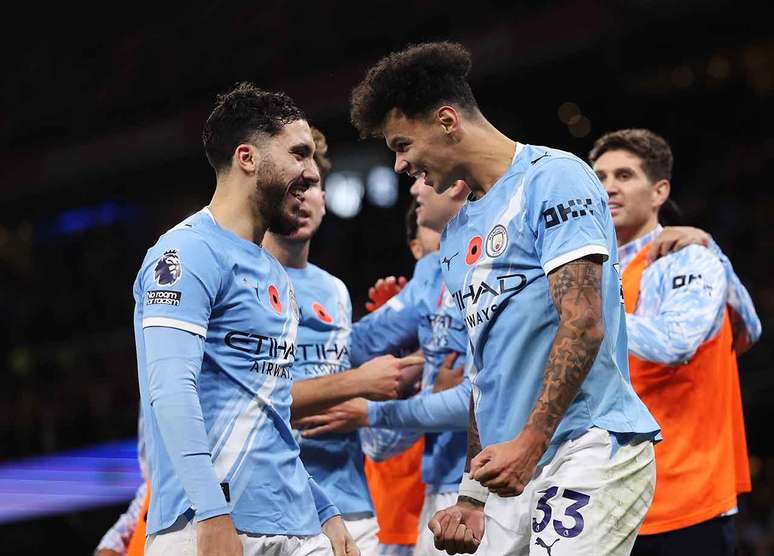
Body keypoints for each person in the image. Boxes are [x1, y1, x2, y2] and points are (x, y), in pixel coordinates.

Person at [350, 41, 660, 555]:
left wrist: (531, 443)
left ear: (448, 121)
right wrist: (472, 493)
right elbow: (484, 370)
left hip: (586, 445)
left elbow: (583, 323)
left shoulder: (554, 179)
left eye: (403, 144)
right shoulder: (454, 237)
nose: (402, 164)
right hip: (510, 468)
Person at [133, 82, 356, 556]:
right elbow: (171, 390)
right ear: (247, 158)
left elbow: (271, 414)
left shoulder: (275, 273)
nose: (310, 172)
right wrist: (212, 515)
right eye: (298, 154)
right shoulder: (185, 253)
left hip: (296, 524)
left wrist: (324, 511)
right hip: (208, 524)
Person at [589, 128, 761, 556]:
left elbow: (679, 342)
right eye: (599, 177)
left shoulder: (684, 255)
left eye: (624, 175)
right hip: (609, 499)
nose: (608, 187)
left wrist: (583, 318)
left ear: (659, 190)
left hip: (685, 498)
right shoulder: (594, 273)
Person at [262, 127, 423, 555]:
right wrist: (359, 385)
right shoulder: (239, 284)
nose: (301, 198)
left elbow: (368, 415)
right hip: (270, 508)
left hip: (351, 504)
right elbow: (249, 405)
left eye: (312, 186)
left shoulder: (334, 291)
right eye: (290, 188)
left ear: (326, 199)